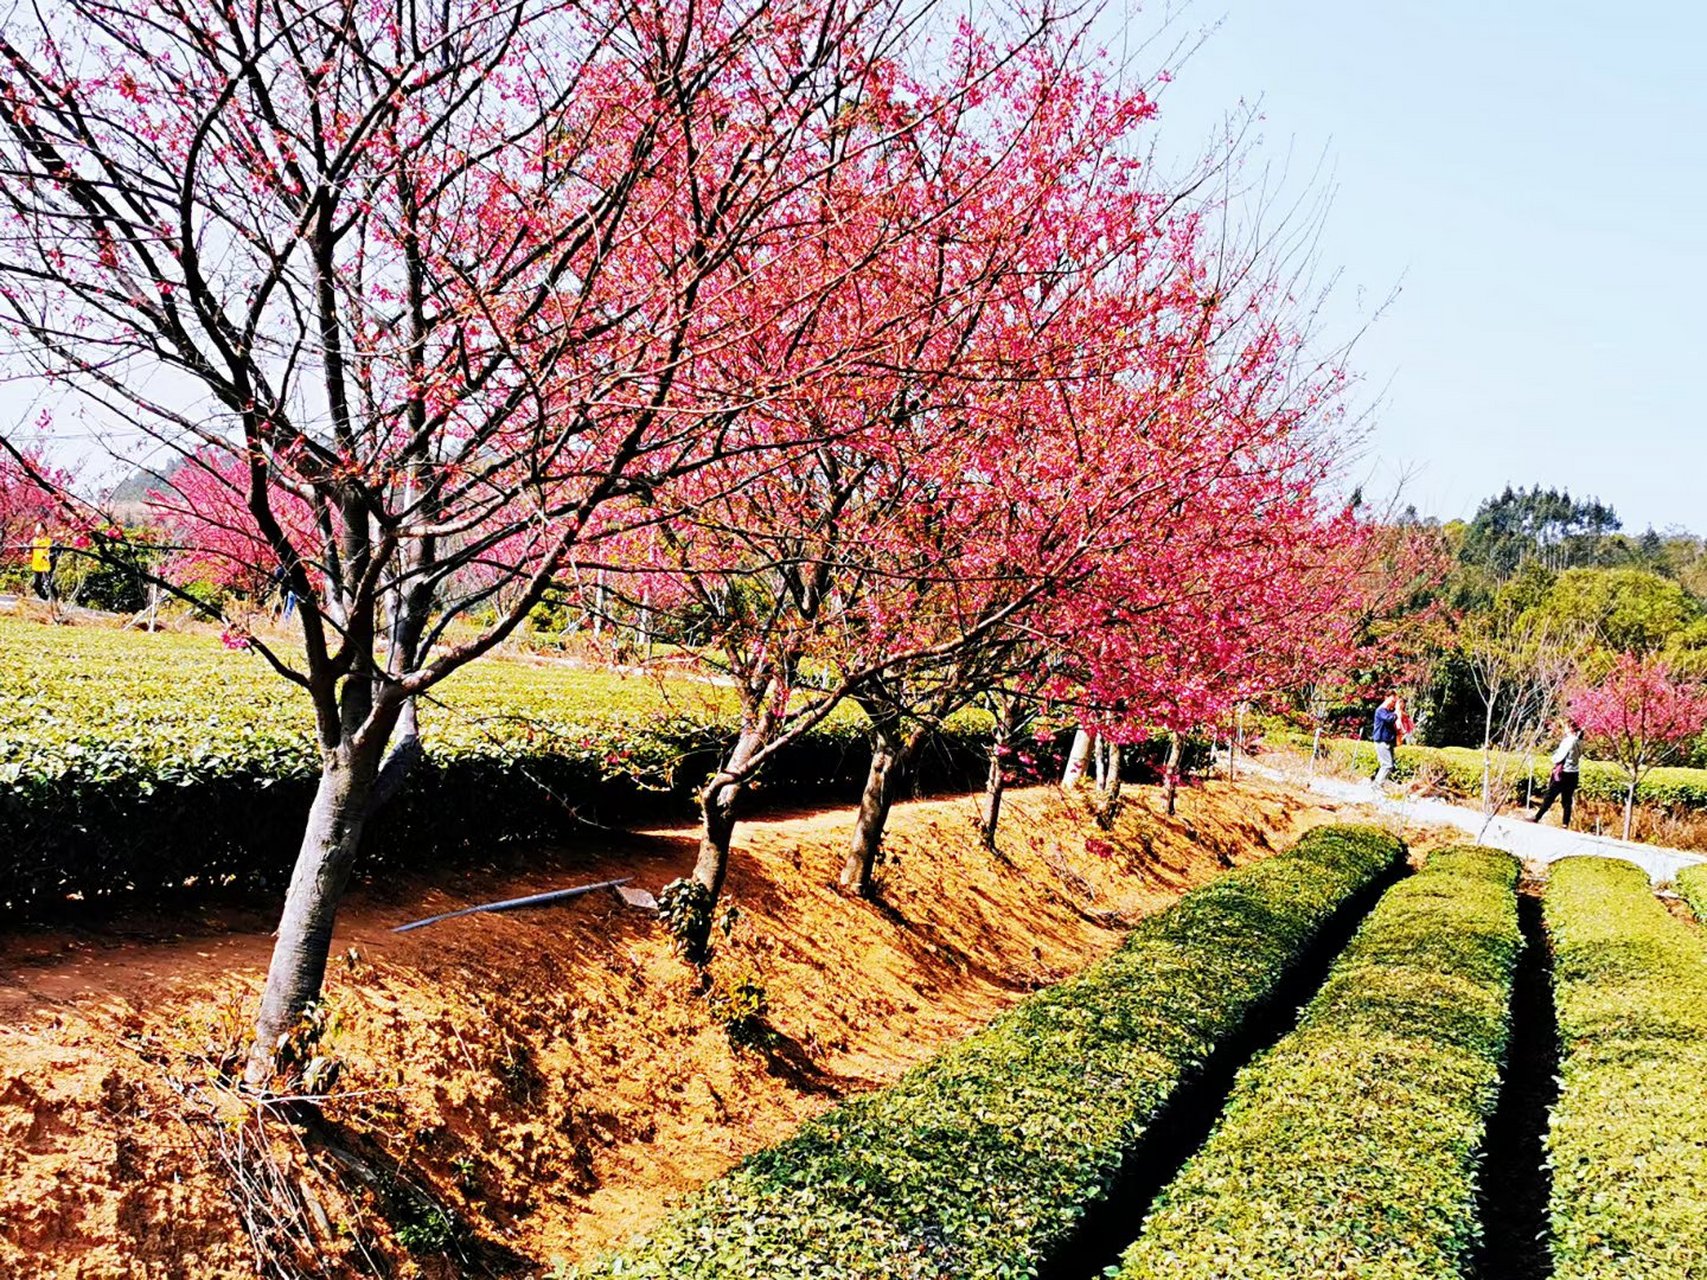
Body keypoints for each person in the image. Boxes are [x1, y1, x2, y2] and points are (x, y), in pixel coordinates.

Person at [1532, 715, 1583, 827]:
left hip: (1563, 772)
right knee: (1567, 800)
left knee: (1550, 796)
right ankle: (1565, 823)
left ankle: (1537, 817)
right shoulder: (1580, 741)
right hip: (1574, 773)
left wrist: (1553, 758)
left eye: (1565, 726)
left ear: (1570, 728)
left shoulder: (1569, 741)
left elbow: (1559, 757)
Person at [1371, 693, 1401, 788]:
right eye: (1392, 701)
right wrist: (1397, 710)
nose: (1393, 704)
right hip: (1381, 741)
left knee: (1389, 765)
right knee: (1387, 765)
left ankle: (1379, 784)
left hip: (1388, 742)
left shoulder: (1387, 711)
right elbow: (1390, 719)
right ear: (1386, 698)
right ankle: (1377, 785)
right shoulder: (1381, 711)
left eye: (1395, 702)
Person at [29, 522, 53, 600]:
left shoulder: (49, 540)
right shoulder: (34, 540)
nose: (39, 531)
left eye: (41, 530)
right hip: (36, 564)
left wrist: (49, 556)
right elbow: (29, 550)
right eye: (37, 530)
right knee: (36, 584)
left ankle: (51, 596)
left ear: (44, 530)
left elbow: (53, 551)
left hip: (46, 564)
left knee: (47, 581)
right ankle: (43, 596)